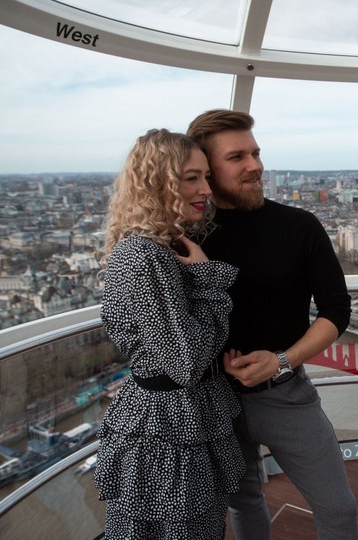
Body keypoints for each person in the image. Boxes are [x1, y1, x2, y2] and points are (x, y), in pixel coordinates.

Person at [186, 109, 358, 540]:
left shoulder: (299, 226)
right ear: (207, 170)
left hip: (284, 394)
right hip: (214, 400)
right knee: (243, 505)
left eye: (256, 153)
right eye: (238, 157)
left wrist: (282, 361)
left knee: (338, 507)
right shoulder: (187, 238)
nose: (255, 166)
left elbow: (337, 310)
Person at [95, 129, 244, 539]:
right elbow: (185, 362)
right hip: (168, 424)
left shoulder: (160, 247)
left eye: (206, 177)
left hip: (177, 416)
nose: (206, 190)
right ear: (156, 181)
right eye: (191, 177)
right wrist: (207, 279)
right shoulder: (145, 257)